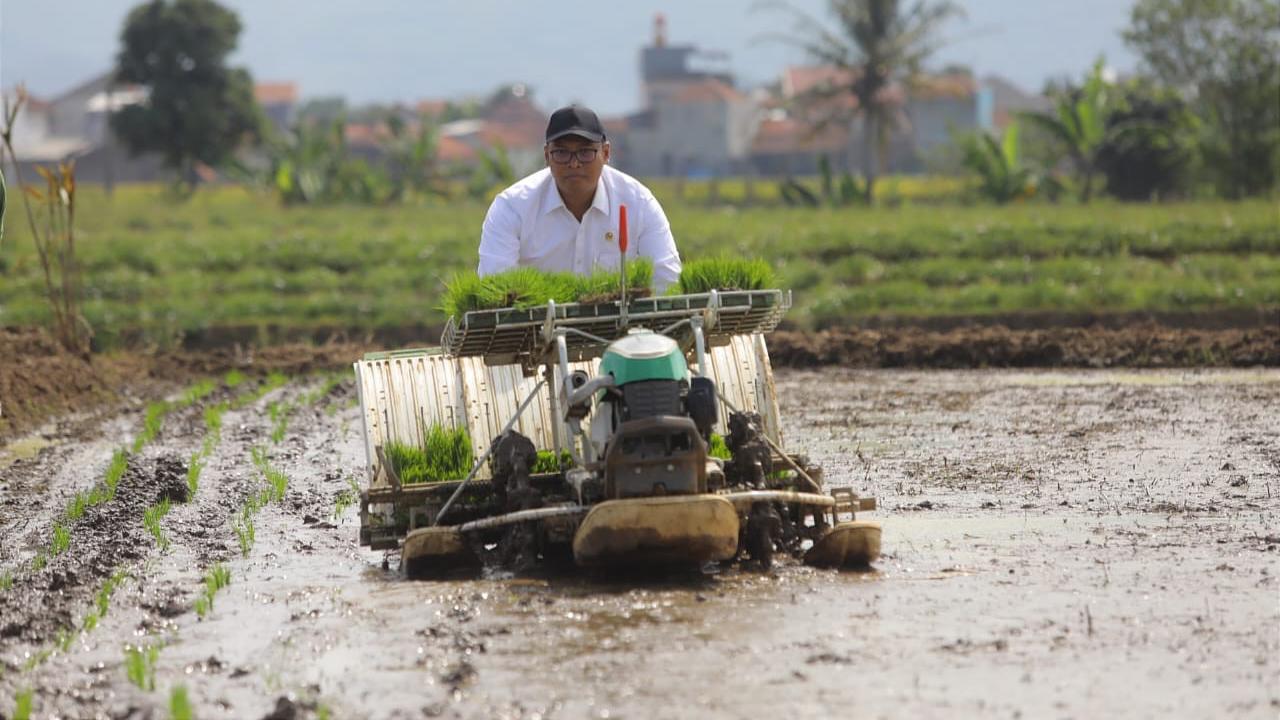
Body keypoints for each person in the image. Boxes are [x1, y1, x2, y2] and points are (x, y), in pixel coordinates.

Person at [477, 105, 681, 292]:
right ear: (547, 156)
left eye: (585, 152)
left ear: (606, 153)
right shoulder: (512, 208)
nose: (574, 164)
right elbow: (496, 289)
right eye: (561, 153)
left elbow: (666, 281)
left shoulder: (638, 203)